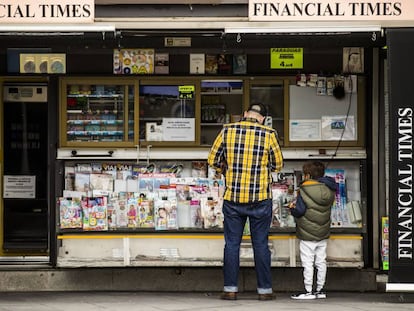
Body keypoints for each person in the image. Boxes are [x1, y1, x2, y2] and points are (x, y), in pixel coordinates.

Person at [207, 103, 283, 301]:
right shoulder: (269, 134)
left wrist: (226, 170)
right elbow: (278, 165)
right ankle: (264, 291)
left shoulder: (227, 130)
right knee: (261, 244)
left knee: (232, 244)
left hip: (233, 199)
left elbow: (212, 159)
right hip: (260, 199)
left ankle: (230, 289)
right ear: (263, 118)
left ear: (245, 114)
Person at [289, 161, 336, 300]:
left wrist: (292, 208)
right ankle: (320, 290)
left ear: (307, 175)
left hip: (307, 233)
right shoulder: (329, 189)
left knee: (308, 262)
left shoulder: (304, 190)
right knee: (321, 261)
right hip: (323, 232)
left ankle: (308, 291)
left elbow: (300, 210)